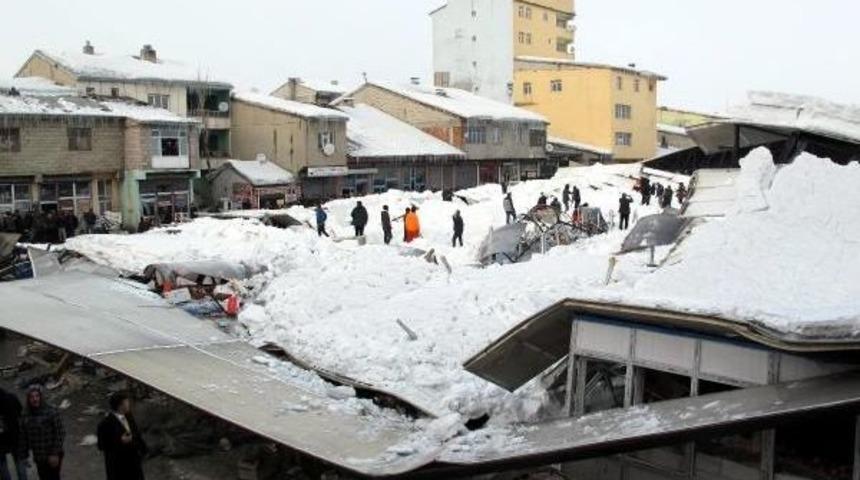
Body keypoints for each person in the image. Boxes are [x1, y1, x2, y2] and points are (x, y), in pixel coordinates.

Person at [97, 392, 147, 480]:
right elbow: (102, 445)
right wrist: (120, 441)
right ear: (120, 406)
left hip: (133, 463)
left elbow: (136, 432)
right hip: (118, 466)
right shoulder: (105, 424)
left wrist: (143, 449)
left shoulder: (128, 416)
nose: (129, 404)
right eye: (126, 403)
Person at [18, 386, 64, 480]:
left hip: (52, 453)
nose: (35, 399)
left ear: (41, 397)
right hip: (39, 456)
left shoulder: (51, 411)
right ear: (28, 399)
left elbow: (60, 432)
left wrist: (54, 453)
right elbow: (23, 436)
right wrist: (24, 455)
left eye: (37, 396)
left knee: (53, 477)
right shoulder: (25, 415)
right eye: (31, 397)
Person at [0, 387, 25, 480]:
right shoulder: (11, 397)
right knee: (20, 464)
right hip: (15, 436)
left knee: (3, 467)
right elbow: (20, 412)